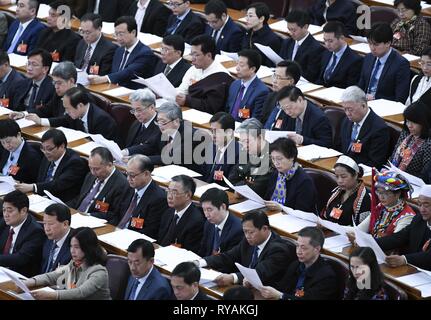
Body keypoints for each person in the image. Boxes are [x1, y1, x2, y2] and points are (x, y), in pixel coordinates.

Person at [198, 210, 293, 290]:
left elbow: (259, 273)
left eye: (251, 232)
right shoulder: (248, 240)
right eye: (245, 232)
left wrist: (232, 277)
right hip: (247, 286)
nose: (247, 236)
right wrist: (200, 263)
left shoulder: (278, 250)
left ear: (264, 229)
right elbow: (229, 256)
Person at [23, 227, 111, 300]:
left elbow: (80, 293)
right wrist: (29, 282)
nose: (72, 251)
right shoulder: (74, 263)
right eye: (71, 246)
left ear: (88, 248)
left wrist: (51, 295)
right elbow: (53, 276)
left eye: (76, 247)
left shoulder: (99, 272)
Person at [257, 227, 338, 300]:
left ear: (317, 249)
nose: (298, 251)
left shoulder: (326, 277)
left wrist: (281, 296)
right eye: (297, 246)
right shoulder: (296, 265)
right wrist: (261, 286)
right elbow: (281, 287)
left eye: (303, 247)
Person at [14, 129, 89, 202]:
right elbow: (40, 179)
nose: (46, 152)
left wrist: (33, 187)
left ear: (62, 146)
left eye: (49, 149)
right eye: (43, 148)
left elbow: (58, 184)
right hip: (42, 198)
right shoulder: (48, 155)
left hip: (61, 201)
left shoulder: (75, 162)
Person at [88, 16, 156, 89]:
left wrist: (104, 78)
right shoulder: (119, 50)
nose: (118, 38)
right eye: (116, 34)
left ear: (133, 32)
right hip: (113, 89)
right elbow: (113, 72)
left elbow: (128, 72)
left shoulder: (145, 53)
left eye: (121, 34)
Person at [376, 184, 431, 270]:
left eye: (426, 205)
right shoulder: (419, 219)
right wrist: (372, 243)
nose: (422, 209)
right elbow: (399, 237)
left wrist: (404, 259)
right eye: (420, 205)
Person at [70, 147, 129, 226]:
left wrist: (88, 216)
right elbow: (80, 198)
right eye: (90, 168)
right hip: (76, 217)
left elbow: (114, 215)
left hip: (93, 223)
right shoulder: (90, 175)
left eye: (97, 169)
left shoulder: (122, 185)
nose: (93, 172)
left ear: (109, 165)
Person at [176, 34, 233, 114]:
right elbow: (182, 91)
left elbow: (211, 107)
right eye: (191, 54)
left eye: (196, 55)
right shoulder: (193, 69)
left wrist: (187, 100)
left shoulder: (221, 77)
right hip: (186, 111)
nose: (192, 59)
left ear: (209, 55)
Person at [351, 170, 416, 239]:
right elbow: (360, 229)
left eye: (386, 193)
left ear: (398, 194)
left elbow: (393, 242)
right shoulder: (381, 207)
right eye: (379, 192)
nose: (381, 197)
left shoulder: (407, 217)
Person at [338, 85, 390, 169]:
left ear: (363, 105)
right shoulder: (346, 121)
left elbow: (375, 163)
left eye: (350, 109)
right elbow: (340, 146)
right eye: (345, 109)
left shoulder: (379, 129)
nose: (347, 113)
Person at [357, 23, 410, 103]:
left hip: (383, 107)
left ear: (388, 43)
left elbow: (400, 98)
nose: (372, 48)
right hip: (363, 103)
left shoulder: (401, 64)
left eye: (376, 44)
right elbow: (361, 86)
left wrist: (375, 98)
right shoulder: (368, 58)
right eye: (370, 43)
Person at [117, 155, 168, 238]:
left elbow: (150, 231)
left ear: (146, 174)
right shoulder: (128, 187)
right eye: (127, 174)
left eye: (132, 175)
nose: (128, 179)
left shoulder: (158, 198)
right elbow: (117, 213)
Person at [264, 138, 318, 213]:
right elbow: (267, 198)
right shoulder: (276, 174)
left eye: (279, 159)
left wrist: (282, 209)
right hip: (273, 214)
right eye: (273, 159)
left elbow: (302, 212)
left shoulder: (305, 181)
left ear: (292, 157)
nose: (275, 163)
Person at [0, 190, 45, 277]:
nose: (5, 214)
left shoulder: (35, 231)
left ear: (23, 211)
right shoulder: (5, 223)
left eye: (10, 211)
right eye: (4, 210)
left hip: (20, 276)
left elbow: (20, 258)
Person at [158, 175, 205, 254]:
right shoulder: (168, 212)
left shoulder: (196, 221)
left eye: (174, 192)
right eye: (168, 191)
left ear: (188, 195)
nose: (169, 196)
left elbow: (189, 252)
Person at [321, 155, 371, 226]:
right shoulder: (336, 191)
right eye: (337, 176)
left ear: (356, 175)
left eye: (343, 176)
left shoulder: (365, 199)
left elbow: (362, 228)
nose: (339, 181)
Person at [228, 118, 272, 198]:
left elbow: (257, 189)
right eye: (242, 142)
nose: (245, 146)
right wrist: (243, 186)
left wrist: (241, 186)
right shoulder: (247, 151)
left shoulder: (272, 157)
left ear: (260, 137)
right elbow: (231, 179)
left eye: (248, 141)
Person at [280, 10, 325, 82]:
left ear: (305, 27)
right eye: (289, 29)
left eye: (294, 30)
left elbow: (310, 76)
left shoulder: (316, 49)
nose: (290, 33)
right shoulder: (287, 42)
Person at [390, 101, 431, 180]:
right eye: (408, 121)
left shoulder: (428, 143)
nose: (409, 126)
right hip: (394, 175)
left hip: (412, 183)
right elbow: (393, 155)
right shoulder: (405, 133)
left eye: (413, 123)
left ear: (423, 123)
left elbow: (425, 175)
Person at [226, 49, 269, 122]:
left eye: (241, 65)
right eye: (237, 64)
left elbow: (255, 121)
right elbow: (227, 109)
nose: (237, 68)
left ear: (252, 69)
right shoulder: (235, 84)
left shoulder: (262, 91)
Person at [198, 188, 243, 257]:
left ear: (223, 207)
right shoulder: (209, 223)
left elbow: (229, 260)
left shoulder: (237, 230)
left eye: (209, 210)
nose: (206, 215)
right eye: (204, 210)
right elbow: (203, 250)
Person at [317, 21, 363, 89]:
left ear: (342, 38)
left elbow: (349, 88)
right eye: (325, 40)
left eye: (330, 41)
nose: (327, 44)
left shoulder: (355, 61)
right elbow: (320, 78)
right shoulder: (325, 53)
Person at [121, 88, 161, 158]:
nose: (136, 114)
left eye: (139, 110)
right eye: (133, 110)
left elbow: (150, 148)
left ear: (152, 107)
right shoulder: (136, 124)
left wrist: (127, 152)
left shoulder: (161, 126)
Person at [202, 112, 239, 184]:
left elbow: (229, 183)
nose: (213, 135)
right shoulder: (211, 146)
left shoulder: (238, 154)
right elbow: (203, 172)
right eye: (212, 131)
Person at [0, 119, 41, 183]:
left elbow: (33, 182)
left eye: (8, 141)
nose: (6, 146)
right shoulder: (3, 149)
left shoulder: (31, 156)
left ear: (18, 135)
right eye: (2, 142)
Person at [262, 60, 301, 128]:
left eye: (278, 77)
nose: (274, 81)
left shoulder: (295, 107)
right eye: (274, 76)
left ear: (291, 81)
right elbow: (262, 121)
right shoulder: (271, 96)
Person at [241, 2, 281, 67]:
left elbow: (270, 65)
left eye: (250, 16)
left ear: (261, 19)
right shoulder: (248, 32)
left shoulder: (272, 39)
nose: (247, 19)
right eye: (246, 15)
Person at [40, 204, 72, 273]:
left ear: (65, 224)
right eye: (44, 223)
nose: (46, 229)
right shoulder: (47, 237)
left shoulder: (75, 246)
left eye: (50, 224)